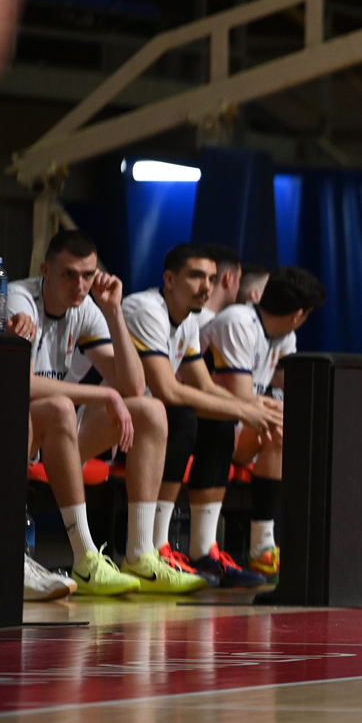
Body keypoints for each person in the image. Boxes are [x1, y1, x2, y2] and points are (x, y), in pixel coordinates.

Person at [9, 230, 201, 596]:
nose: (80, 285)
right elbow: (22, 385)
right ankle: (82, 557)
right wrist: (104, 395)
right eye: (69, 274)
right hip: (15, 427)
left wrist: (113, 311)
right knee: (60, 407)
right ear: (45, 270)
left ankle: (141, 554)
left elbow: (132, 386)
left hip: (56, 435)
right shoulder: (19, 300)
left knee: (150, 410)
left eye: (88, 275)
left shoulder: (85, 307)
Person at [121, 243, 282, 587]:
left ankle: (203, 550)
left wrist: (255, 407)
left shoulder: (189, 319)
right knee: (181, 417)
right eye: (196, 276)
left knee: (217, 422)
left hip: (151, 425)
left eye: (210, 278)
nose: (205, 286)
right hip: (117, 423)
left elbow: (205, 385)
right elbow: (168, 389)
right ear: (169, 279)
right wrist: (243, 409)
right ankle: (155, 547)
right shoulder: (145, 308)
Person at [201, 265, 325, 575]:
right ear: (298, 314)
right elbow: (242, 396)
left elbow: (292, 390)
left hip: (236, 423)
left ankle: (263, 547)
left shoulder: (284, 336)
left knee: (287, 429)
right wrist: (282, 411)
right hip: (201, 422)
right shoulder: (238, 321)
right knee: (281, 426)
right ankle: (253, 546)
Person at [197, 244, 242, 329]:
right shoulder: (224, 329)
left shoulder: (182, 317)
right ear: (228, 278)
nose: (239, 287)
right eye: (239, 279)